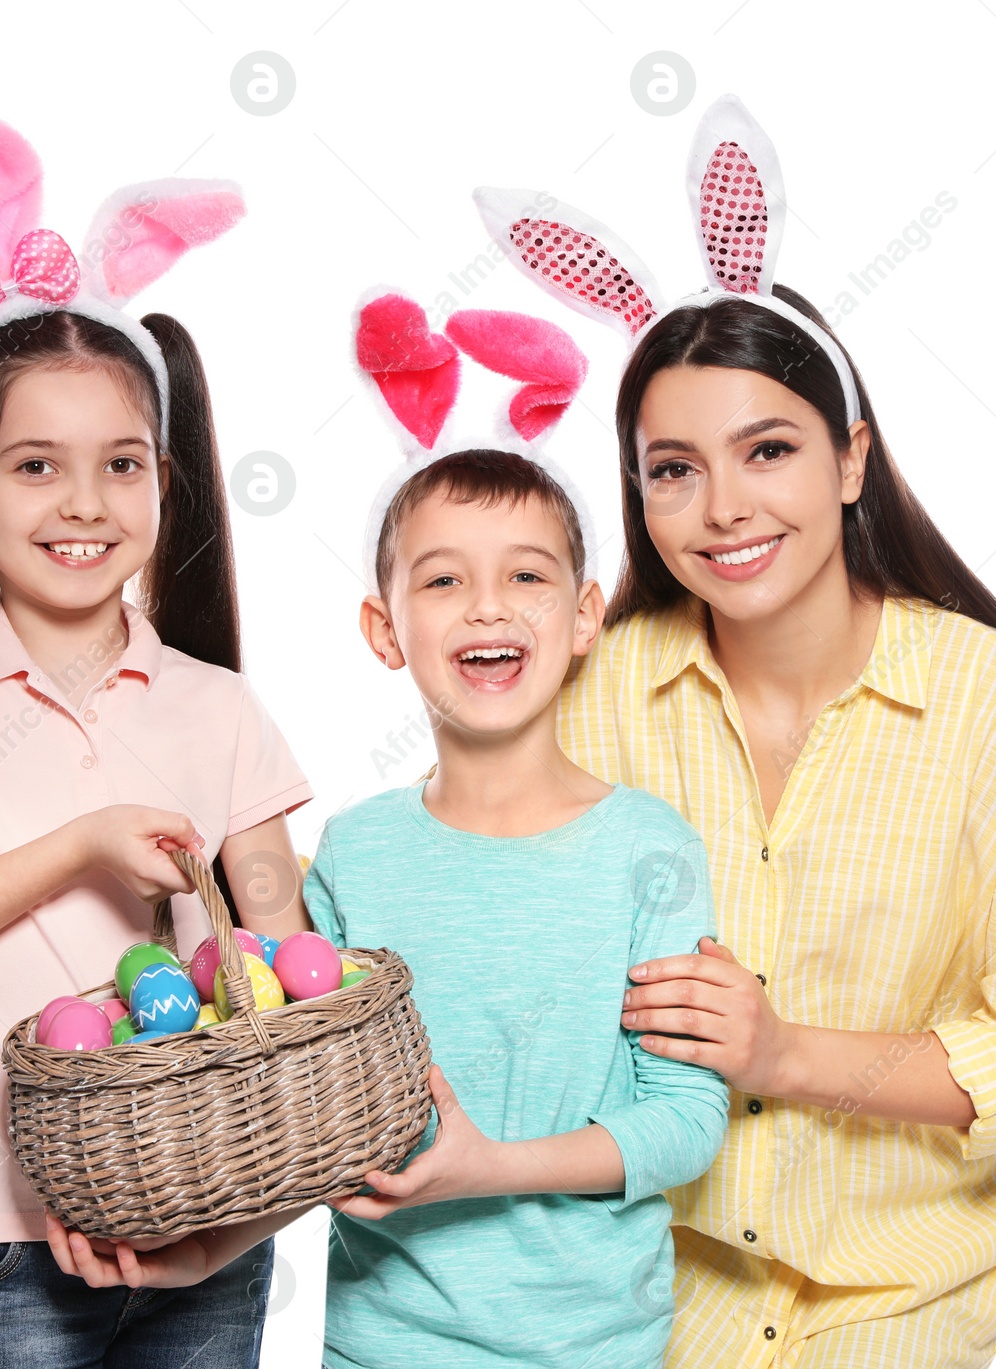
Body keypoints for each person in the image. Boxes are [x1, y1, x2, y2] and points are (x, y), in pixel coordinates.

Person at [483, 95, 996, 1366]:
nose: (721, 508)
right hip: (644, 1274)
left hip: (906, 1290)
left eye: (765, 448)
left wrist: (780, 1051)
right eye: (672, 468)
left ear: (848, 458)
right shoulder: (591, 693)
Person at [0, 107, 313, 1368]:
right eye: (35, 466)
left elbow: (282, 968)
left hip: (206, 1222)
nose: (86, 503)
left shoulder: (219, 705)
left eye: (124, 465)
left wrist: (236, 1211)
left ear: (167, 477)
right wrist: (78, 845)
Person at [303, 444, 729, 1369]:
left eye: (526, 575)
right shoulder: (354, 850)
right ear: (386, 630)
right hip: (378, 1343)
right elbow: (305, 1106)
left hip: (593, 1347)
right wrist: (194, 1252)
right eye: (445, 577)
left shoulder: (648, 849)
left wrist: (492, 1167)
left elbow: (688, 1120)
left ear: (584, 616)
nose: (488, 604)